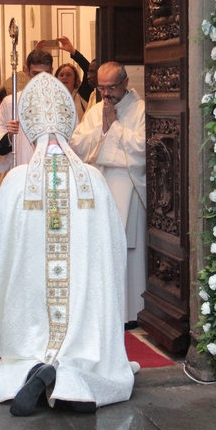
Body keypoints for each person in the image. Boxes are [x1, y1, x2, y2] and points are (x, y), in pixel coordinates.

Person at [0, 72, 136, 417]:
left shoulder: (16, 180)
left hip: (34, 304)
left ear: (30, 127)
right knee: (92, 352)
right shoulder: (93, 180)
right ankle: (75, 374)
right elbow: (113, 249)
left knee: (27, 347)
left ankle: (37, 367)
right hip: (81, 311)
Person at [69, 61, 147, 325]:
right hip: (99, 189)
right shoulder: (94, 112)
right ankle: (103, 313)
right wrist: (102, 131)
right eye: (101, 88)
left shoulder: (141, 110)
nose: (105, 94)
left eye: (111, 87)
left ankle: (130, 312)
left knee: (127, 252)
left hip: (127, 189)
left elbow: (143, 151)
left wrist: (115, 130)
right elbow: (77, 146)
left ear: (125, 83)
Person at [0, 49, 54, 172]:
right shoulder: (11, 103)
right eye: (36, 74)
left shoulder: (61, 103)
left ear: (52, 71)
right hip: (22, 171)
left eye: (45, 74)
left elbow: (74, 142)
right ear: (26, 71)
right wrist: (10, 136)